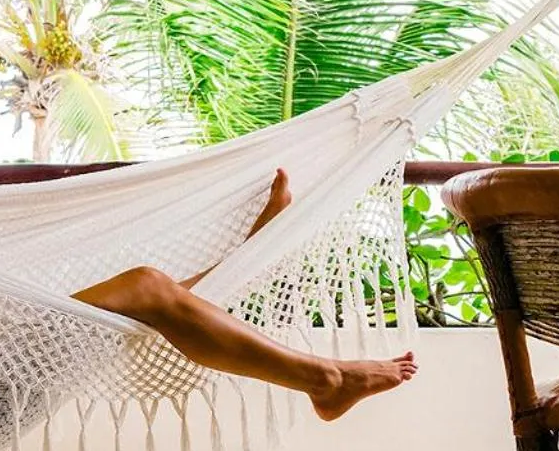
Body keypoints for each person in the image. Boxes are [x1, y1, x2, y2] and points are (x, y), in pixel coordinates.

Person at [73, 169, 418, 421]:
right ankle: (326, 379)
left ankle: (244, 254)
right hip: (20, 332)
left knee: (150, 294)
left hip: (22, 321)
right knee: (145, 288)